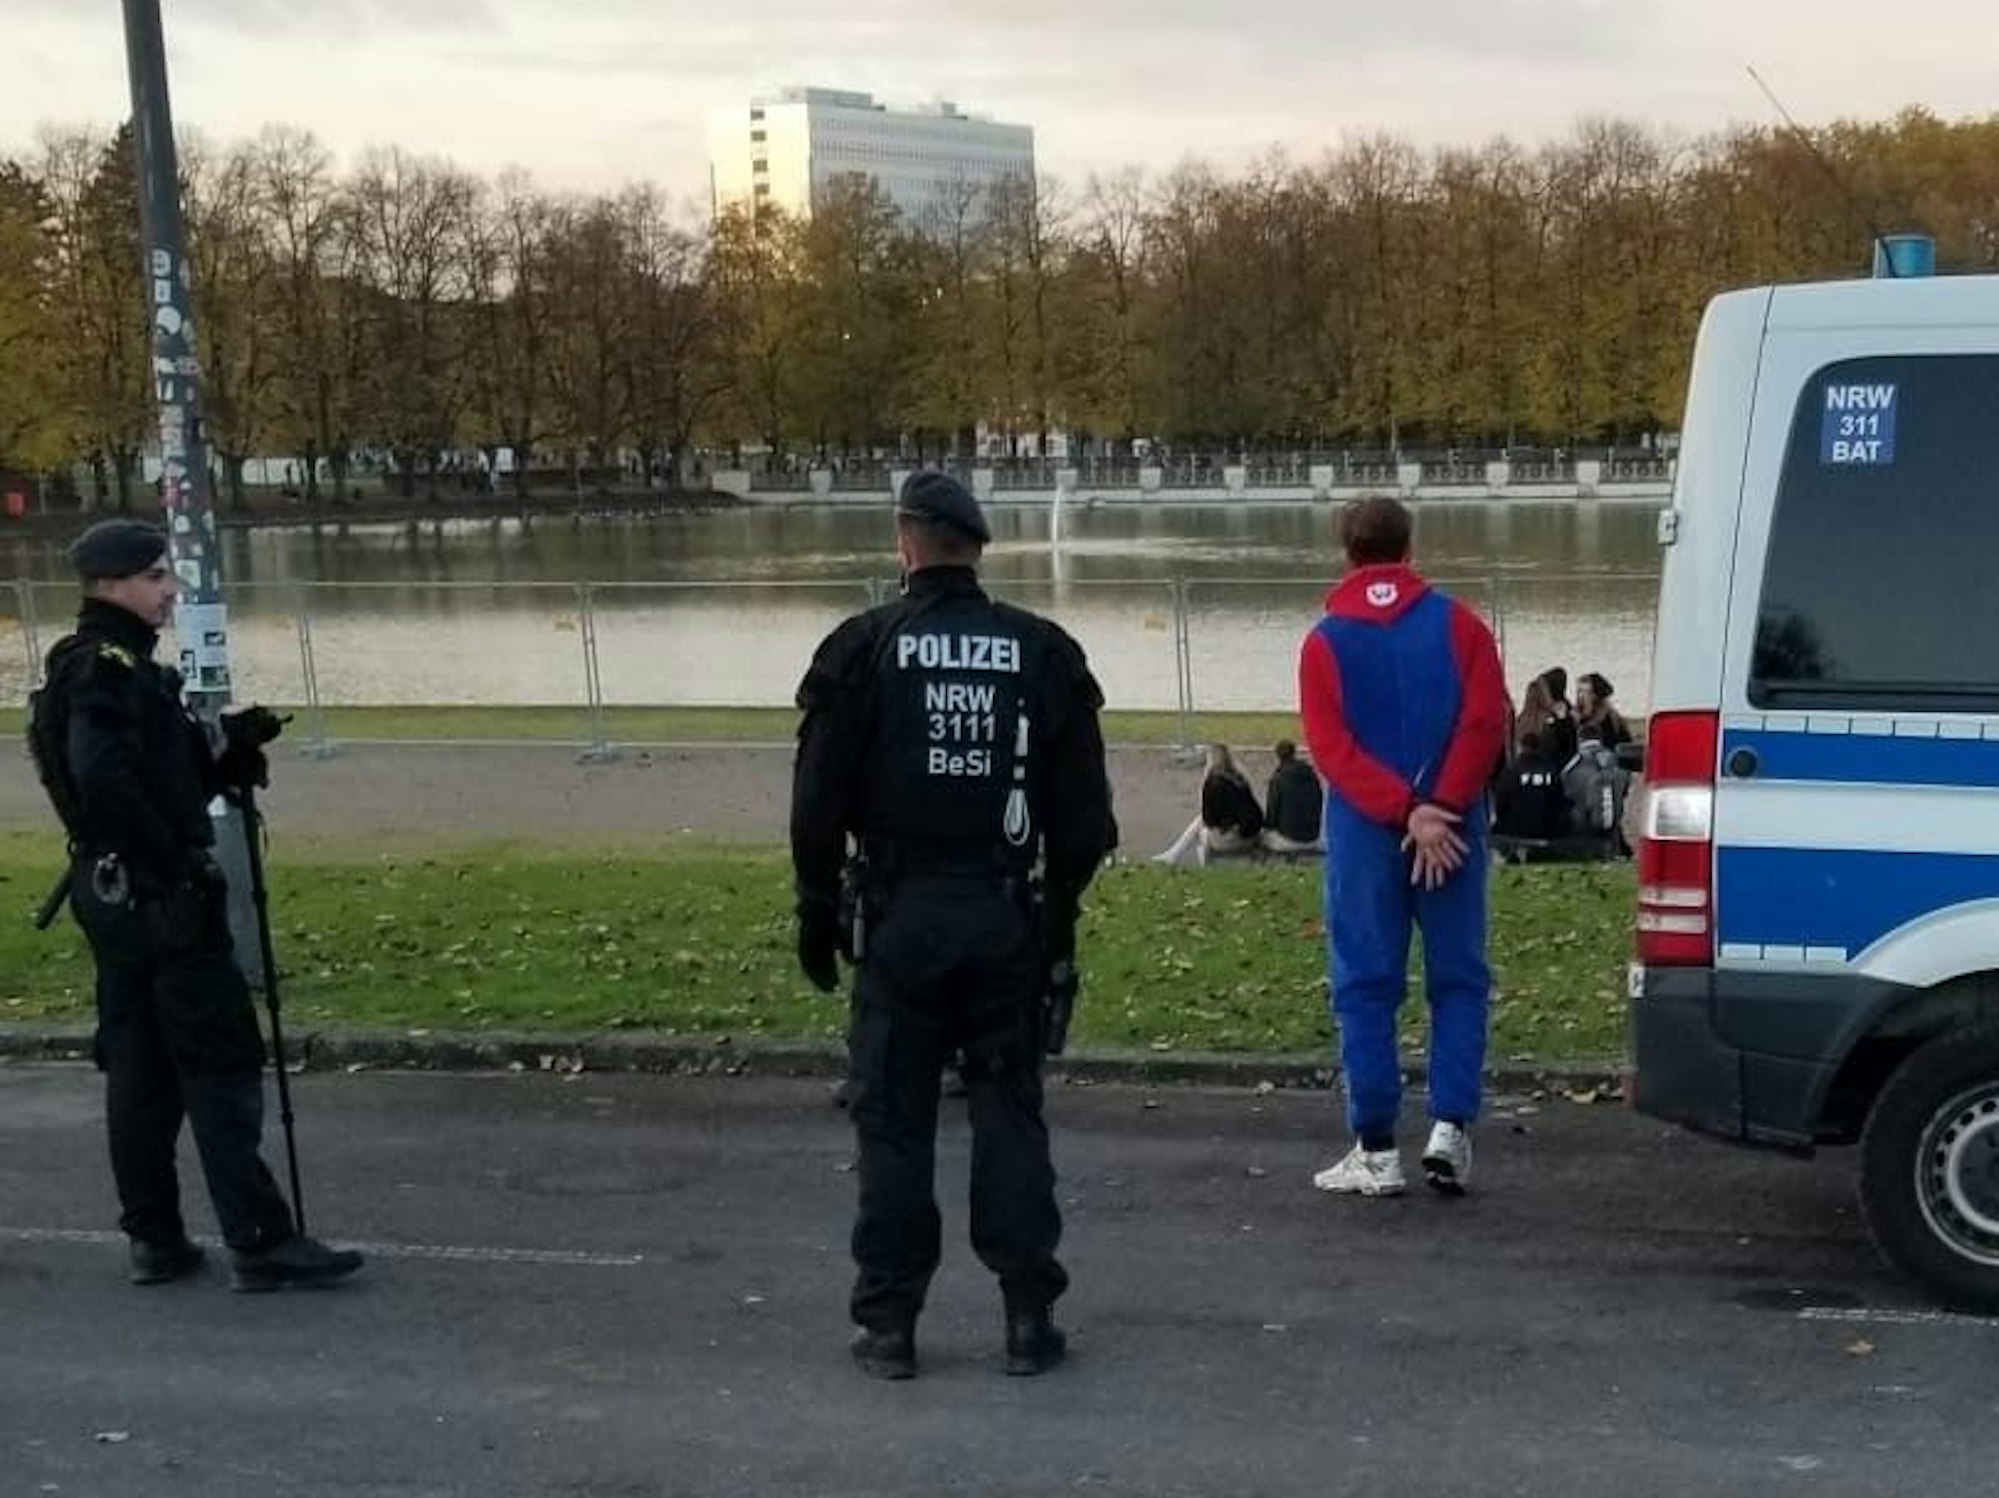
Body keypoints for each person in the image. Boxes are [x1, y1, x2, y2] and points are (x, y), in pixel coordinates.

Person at [791, 472, 1117, 1380]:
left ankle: (890, 1325)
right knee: (1008, 1113)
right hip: (1004, 910)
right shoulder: (1040, 651)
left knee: (893, 1122)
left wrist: (818, 908)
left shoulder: (862, 648)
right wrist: (1056, 919)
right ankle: (1025, 1316)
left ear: (904, 545)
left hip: (899, 918)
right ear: (975, 546)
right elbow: (1085, 824)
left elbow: (816, 806)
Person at [28, 520, 363, 1291]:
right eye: (154, 578)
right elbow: (105, 780)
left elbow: (144, 782)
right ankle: (260, 1240)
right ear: (109, 585)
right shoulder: (109, 671)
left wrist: (224, 760)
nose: (168, 590)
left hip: (113, 896)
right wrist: (171, 858)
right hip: (158, 900)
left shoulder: (94, 666)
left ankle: (156, 1238)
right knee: (216, 1063)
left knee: (141, 1066)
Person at [1296, 496, 1508, 1197]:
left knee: (1363, 981)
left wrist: (1399, 809)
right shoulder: (1461, 627)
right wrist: (1439, 807)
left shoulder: (1324, 641)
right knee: (1457, 976)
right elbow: (1483, 721)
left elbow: (1331, 748)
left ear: (1346, 552)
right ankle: (1450, 1126)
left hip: (1366, 828)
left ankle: (1376, 1144)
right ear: (1408, 548)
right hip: (1449, 829)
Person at [1152, 744, 1263, 866]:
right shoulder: (1240, 779)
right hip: (1252, 834)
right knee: (1200, 821)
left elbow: (1208, 819)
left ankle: (1198, 864)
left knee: (1202, 834)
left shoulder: (1213, 784)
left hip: (1233, 839)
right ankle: (1173, 854)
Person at [1491, 730, 1570, 843]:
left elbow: (1501, 803)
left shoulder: (1511, 771)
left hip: (1516, 830)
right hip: (1547, 829)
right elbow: (1560, 800)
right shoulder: (1551, 769)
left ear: (1521, 747)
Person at [1261, 739, 1325, 854]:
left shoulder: (1278, 779)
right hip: (1313, 837)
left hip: (1289, 840)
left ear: (1278, 756)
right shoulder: (1311, 776)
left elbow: (1271, 814)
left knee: (1263, 837)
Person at [1574, 671, 1632, 751]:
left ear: (1595, 695)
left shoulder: (1609, 719)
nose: (1579, 696)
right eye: (1578, 691)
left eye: (1582, 691)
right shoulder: (1579, 715)